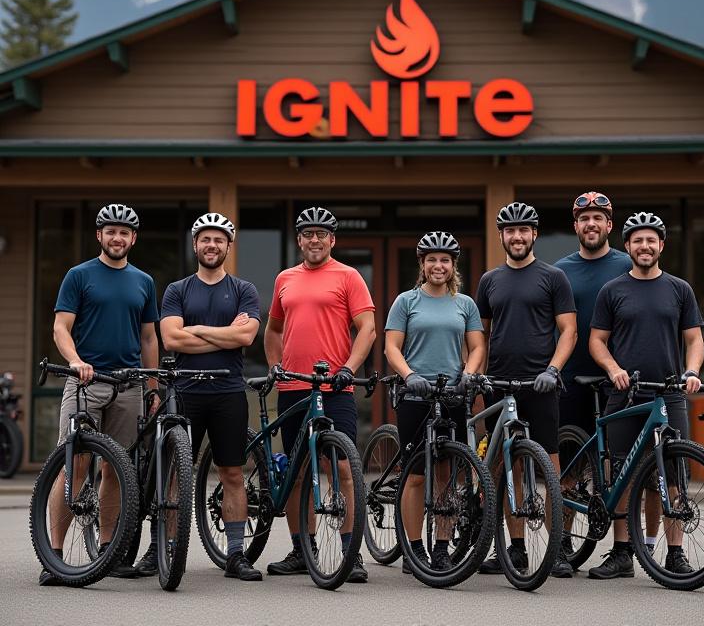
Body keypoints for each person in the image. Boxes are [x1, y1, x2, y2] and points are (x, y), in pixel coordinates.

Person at [41, 203, 159, 585]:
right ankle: (53, 555)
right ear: (99, 235)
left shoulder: (143, 281)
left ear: (133, 239)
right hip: (86, 382)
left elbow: (148, 337)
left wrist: (152, 386)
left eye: (124, 232)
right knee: (72, 464)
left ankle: (110, 552)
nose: (117, 237)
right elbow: (61, 327)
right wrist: (75, 361)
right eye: (111, 231)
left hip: (128, 386)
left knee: (116, 469)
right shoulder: (79, 276)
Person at [588, 211, 704, 580]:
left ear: (661, 246)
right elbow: (597, 341)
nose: (644, 245)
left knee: (670, 476)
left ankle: (671, 552)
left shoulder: (679, 288)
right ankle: (622, 553)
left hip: (669, 393)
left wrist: (692, 372)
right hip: (625, 393)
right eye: (637, 240)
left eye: (651, 239)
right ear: (628, 246)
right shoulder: (613, 290)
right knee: (621, 472)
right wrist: (613, 370)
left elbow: (694, 339)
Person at [264, 207, 376, 583]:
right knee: (297, 474)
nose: (314, 239)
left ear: (332, 240)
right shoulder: (285, 278)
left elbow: (367, 329)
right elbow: (274, 330)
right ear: (299, 240)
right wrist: (274, 364)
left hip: (335, 387)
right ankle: (302, 548)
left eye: (321, 234)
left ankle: (350, 551)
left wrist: (349, 368)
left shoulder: (348, 276)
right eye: (307, 234)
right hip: (293, 385)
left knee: (342, 467)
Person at [157, 212, 262, 581]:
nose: (212, 245)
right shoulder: (177, 290)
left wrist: (196, 329)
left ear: (228, 247)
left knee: (232, 473)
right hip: (184, 391)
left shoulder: (244, 290)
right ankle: (164, 548)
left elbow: (246, 338)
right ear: (195, 244)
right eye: (205, 239)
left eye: (219, 240)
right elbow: (171, 339)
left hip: (229, 391)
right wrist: (222, 333)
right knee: (172, 476)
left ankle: (235, 555)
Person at [475, 201, 577, 578]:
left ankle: (559, 547)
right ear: (502, 235)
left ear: (534, 234)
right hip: (499, 382)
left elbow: (569, 331)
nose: (516, 236)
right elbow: (480, 337)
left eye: (524, 230)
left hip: (541, 383)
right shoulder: (489, 280)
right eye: (510, 230)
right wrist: (478, 373)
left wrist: (553, 369)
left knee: (549, 465)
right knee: (507, 467)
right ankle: (515, 550)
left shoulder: (553, 278)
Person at [384, 231, 485, 573]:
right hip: (416, 395)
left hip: (453, 394)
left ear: (453, 265)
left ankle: (441, 546)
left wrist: (469, 374)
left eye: (444, 260)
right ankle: (413, 550)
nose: (438, 266)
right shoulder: (406, 301)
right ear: (422, 265)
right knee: (415, 475)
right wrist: (409, 374)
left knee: (446, 474)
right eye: (431, 260)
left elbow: (477, 348)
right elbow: (391, 348)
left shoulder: (465, 304)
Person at [554, 192, 630, 434]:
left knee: (618, 454)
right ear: (575, 226)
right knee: (572, 458)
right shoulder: (560, 272)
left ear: (609, 225)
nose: (591, 224)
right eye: (584, 219)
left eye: (598, 217)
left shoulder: (628, 265)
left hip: (620, 374)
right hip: (570, 378)